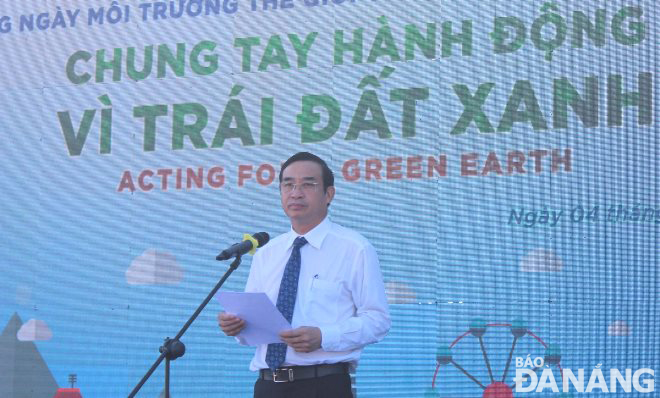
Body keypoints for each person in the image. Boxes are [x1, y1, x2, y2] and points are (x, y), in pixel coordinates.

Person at [218, 152, 390, 398]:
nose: (296, 192)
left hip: (323, 385)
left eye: (308, 184)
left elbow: (378, 321)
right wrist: (237, 326)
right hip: (268, 386)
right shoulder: (267, 253)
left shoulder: (354, 248)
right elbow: (255, 329)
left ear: (329, 194)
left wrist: (324, 336)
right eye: (288, 185)